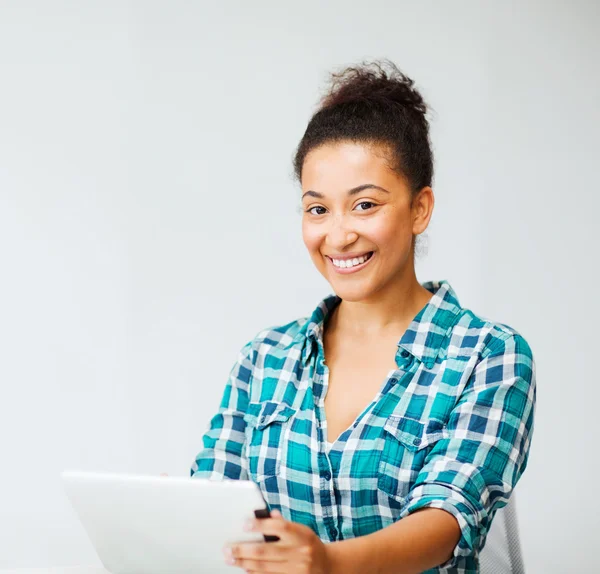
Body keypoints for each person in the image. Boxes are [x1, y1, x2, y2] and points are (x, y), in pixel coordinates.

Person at [190, 59, 536, 574]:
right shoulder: (265, 358)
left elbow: (445, 521)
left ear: (420, 209)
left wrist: (328, 562)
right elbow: (212, 505)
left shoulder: (489, 356)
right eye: (317, 209)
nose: (338, 235)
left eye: (365, 205)